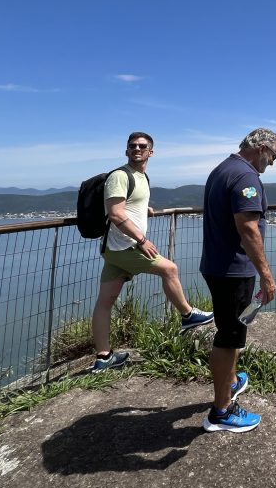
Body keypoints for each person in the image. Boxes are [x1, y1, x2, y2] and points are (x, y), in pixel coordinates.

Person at [91, 132, 214, 373]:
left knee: (104, 303)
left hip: (116, 250)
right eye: (132, 146)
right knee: (170, 269)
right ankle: (188, 315)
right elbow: (115, 214)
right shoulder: (119, 176)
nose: (137, 149)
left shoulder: (141, 176)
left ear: (151, 151)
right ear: (126, 151)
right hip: (126, 246)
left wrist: (142, 208)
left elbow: (127, 205)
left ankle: (103, 357)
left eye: (142, 146)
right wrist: (141, 240)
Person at [200, 127, 276, 433]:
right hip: (233, 270)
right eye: (274, 155)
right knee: (229, 336)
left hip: (216, 265)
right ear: (261, 148)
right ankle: (221, 411)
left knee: (231, 331)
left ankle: (232, 381)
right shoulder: (246, 177)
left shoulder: (222, 168)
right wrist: (267, 275)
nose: (273, 162)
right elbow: (248, 230)